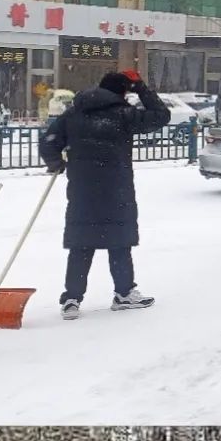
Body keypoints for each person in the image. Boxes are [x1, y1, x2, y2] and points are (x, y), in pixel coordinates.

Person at [40, 70, 170, 320]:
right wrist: (142, 88)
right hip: (116, 189)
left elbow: (49, 140)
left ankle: (72, 298)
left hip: (82, 190)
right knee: (119, 241)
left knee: (81, 243)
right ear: (123, 91)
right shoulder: (123, 114)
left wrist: (56, 162)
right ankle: (123, 293)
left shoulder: (74, 113)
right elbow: (161, 116)